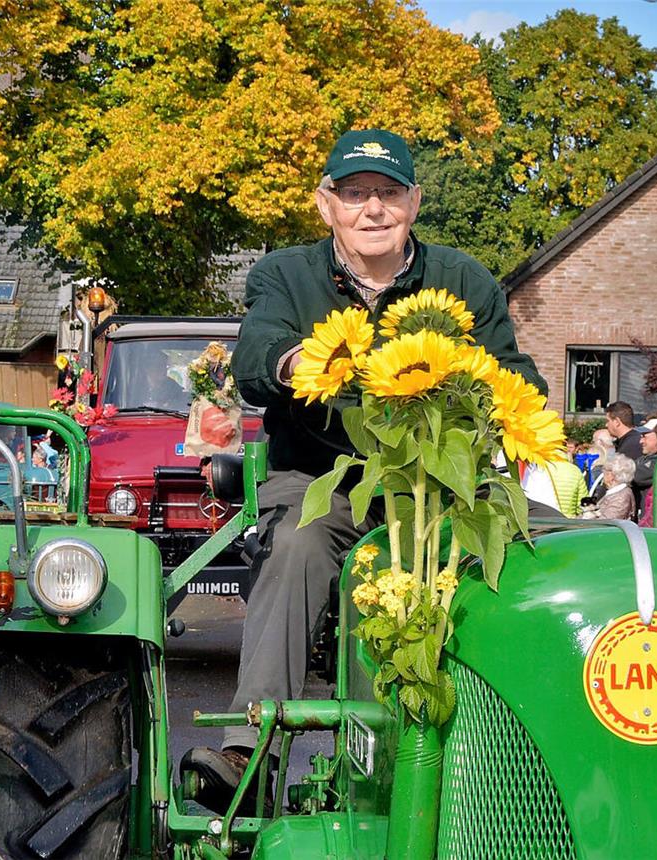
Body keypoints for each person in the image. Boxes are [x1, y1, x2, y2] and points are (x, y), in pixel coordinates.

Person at [192, 128, 547, 812]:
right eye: (355, 193)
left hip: (438, 484)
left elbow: (514, 373)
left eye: (388, 193)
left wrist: (491, 402)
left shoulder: (462, 280)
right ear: (326, 204)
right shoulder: (285, 274)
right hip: (327, 477)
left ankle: (531, 742)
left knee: (538, 542)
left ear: (414, 201)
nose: (372, 209)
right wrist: (298, 362)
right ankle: (250, 750)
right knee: (295, 541)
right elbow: (258, 350)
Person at [581, 454, 635, 520]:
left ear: (611, 475)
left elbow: (607, 522)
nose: (603, 475)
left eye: (604, 471)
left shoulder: (621, 497)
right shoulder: (615, 492)